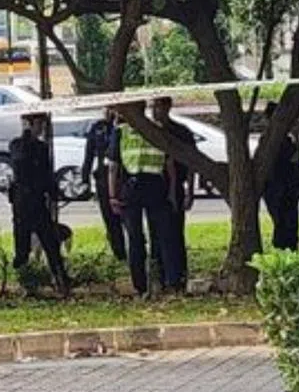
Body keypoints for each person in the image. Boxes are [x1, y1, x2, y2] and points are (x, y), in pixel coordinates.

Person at [108, 103, 183, 296]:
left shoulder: (123, 131)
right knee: (156, 236)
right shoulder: (153, 129)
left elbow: (113, 167)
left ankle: (145, 285)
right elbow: (169, 165)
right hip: (150, 186)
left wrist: (112, 195)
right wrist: (172, 192)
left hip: (138, 186)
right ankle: (165, 282)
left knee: (141, 238)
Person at [9, 113, 71, 296]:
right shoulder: (18, 145)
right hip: (22, 201)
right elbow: (20, 163)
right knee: (22, 245)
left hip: (38, 201)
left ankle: (60, 279)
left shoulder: (43, 147)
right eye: (38, 124)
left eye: (43, 125)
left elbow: (46, 174)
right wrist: (28, 136)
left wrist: (54, 193)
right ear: (29, 125)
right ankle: (25, 282)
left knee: (50, 243)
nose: (41, 129)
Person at [152, 97, 196, 282]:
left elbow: (192, 161)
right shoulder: (150, 132)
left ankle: (178, 274)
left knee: (175, 232)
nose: (155, 110)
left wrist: (190, 191)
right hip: (154, 186)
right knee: (155, 233)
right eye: (153, 106)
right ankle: (159, 274)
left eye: (159, 106)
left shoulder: (181, 132)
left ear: (168, 107)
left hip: (175, 186)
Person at [82, 110, 127, 261]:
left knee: (127, 217)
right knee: (109, 218)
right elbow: (89, 154)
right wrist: (85, 178)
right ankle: (119, 252)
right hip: (103, 177)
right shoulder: (97, 128)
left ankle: (136, 249)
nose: (109, 112)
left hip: (123, 176)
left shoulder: (125, 126)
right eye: (107, 109)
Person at [262, 101, 299, 250]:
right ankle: (286, 254)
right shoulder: (281, 141)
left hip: (277, 189)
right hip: (283, 189)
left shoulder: (268, 139)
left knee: (282, 225)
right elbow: (296, 158)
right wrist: (297, 137)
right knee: (287, 227)